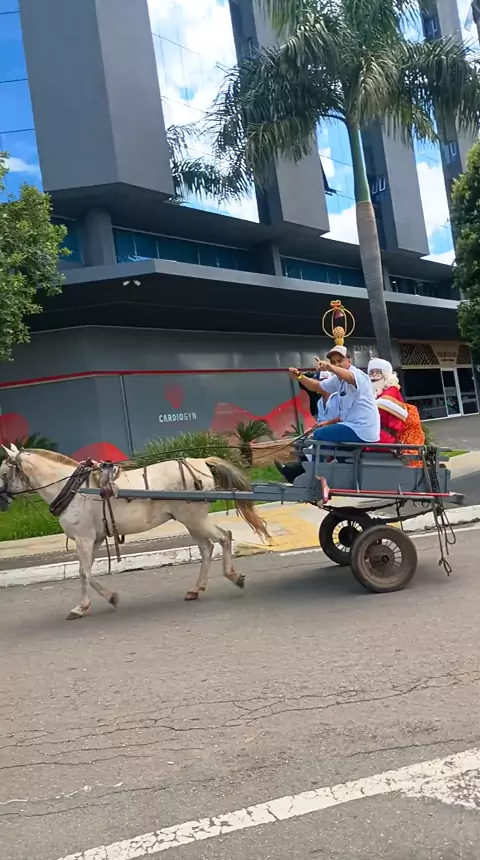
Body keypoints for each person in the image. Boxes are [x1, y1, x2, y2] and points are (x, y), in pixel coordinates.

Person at [276, 346, 380, 481]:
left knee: (319, 435)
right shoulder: (337, 381)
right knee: (324, 441)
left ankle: (316, 477)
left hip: (362, 429)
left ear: (349, 361)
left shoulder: (358, 375)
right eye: (333, 362)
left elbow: (349, 377)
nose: (337, 364)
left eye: (340, 361)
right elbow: (317, 386)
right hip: (352, 427)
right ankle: (325, 475)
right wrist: (299, 377)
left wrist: (330, 368)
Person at [367, 358, 408, 444]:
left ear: (385, 374)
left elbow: (384, 404)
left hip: (387, 433)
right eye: (371, 372)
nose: (374, 375)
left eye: (377, 372)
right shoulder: (371, 392)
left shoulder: (392, 389)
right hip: (373, 429)